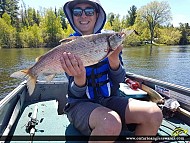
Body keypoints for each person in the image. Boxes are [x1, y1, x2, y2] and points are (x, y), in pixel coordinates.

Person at [62, 0, 163, 142]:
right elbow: (76, 94)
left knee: (154, 113)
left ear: (97, 15)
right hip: (80, 105)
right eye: (77, 12)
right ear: (72, 16)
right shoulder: (68, 47)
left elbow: (119, 81)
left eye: (89, 11)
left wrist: (114, 59)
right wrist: (80, 77)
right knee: (110, 122)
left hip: (109, 99)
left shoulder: (110, 39)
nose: (83, 16)